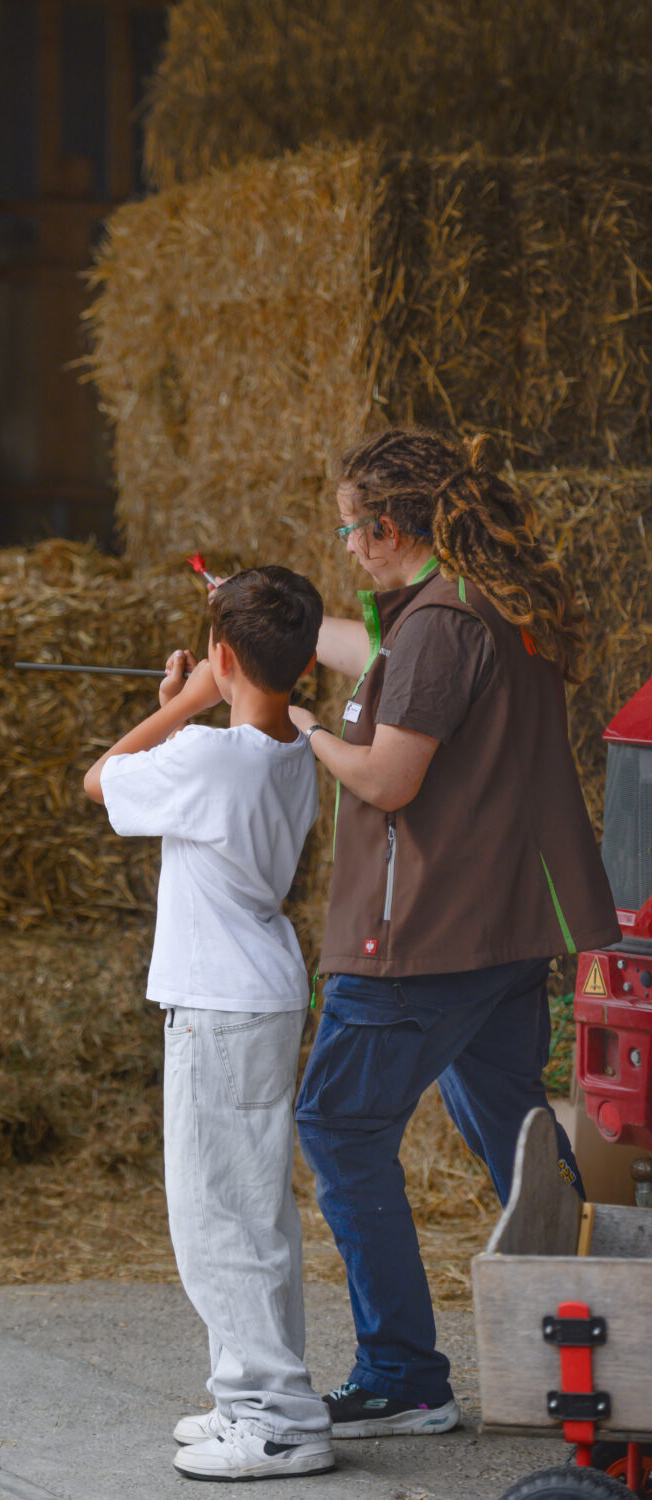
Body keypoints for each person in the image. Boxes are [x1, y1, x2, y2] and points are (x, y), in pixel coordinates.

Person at [289, 426, 620, 1441]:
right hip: (507, 931)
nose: (345, 547)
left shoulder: (437, 627)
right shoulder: (489, 608)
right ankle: (610, 1318)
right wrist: (285, 629)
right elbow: (376, 653)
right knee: (518, 1139)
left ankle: (403, 1372)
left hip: (423, 936)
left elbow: (388, 776)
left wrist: (305, 725)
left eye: (350, 530)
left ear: (388, 527)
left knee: (338, 1127)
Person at [83, 566, 335, 1483]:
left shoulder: (207, 754)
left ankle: (275, 1419)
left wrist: (183, 702)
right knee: (252, 1210)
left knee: (215, 1220)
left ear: (224, 658)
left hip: (222, 1004)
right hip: (261, 990)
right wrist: (211, 696)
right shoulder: (296, 751)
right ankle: (248, 1397)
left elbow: (99, 780)